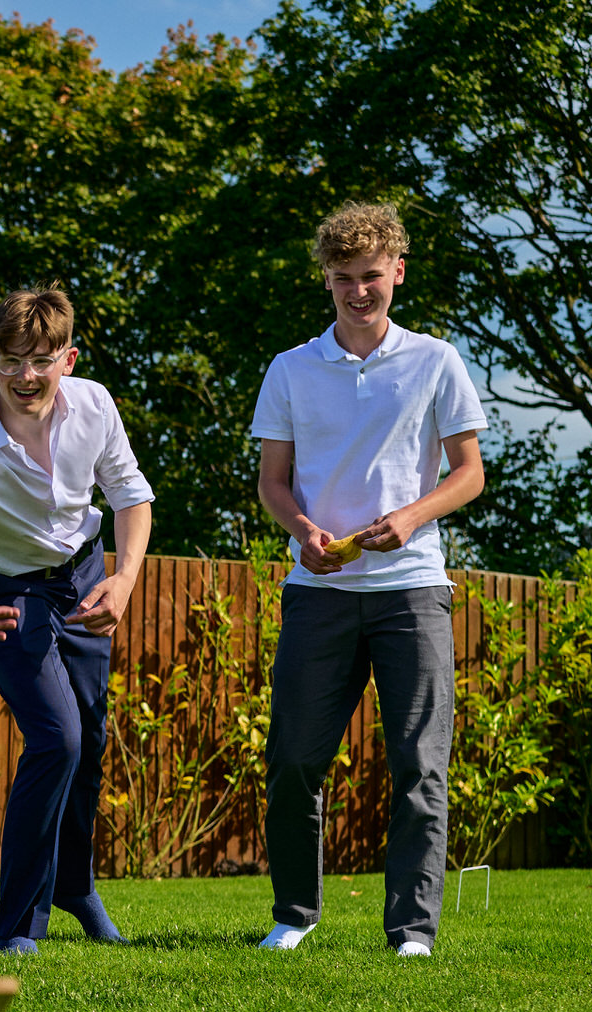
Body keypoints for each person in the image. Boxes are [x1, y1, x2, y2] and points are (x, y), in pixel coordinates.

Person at [252, 202, 487, 957]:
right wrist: (303, 532)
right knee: (293, 759)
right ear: (326, 279)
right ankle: (294, 916)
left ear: (398, 273)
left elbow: (470, 472)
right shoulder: (290, 369)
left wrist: (412, 518)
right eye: (344, 277)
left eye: (372, 276)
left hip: (412, 588)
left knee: (420, 763)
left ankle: (412, 932)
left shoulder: (436, 361)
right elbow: (273, 482)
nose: (359, 291)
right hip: (318, 590)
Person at [0, 287, 154, 954]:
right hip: (4, 592)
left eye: (42, 360)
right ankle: (20, 925)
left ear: (68, 359)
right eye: (12, 361)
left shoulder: (96, 406)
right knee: (57, 737)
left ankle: (75, 887)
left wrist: (123, 579)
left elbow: (130, 495)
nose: (26, 375)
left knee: (91, 738)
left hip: (82, 576)